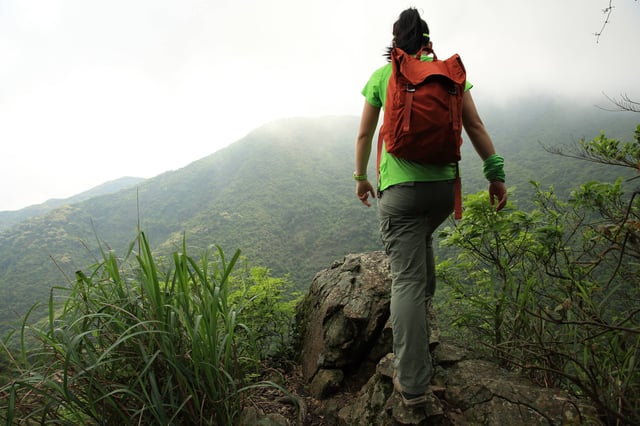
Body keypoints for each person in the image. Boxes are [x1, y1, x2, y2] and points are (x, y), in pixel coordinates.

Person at [353, 8, 507, 407]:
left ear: (394, 44)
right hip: (441, 191)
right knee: (420, 255)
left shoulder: (383, 76)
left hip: (400, 194)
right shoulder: (449, 74)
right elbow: (475, 127)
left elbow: (365, 134)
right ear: (427, 41)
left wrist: (360, 178)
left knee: (405, 280)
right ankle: (422, 342)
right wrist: (495, 174)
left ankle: (413, 385)